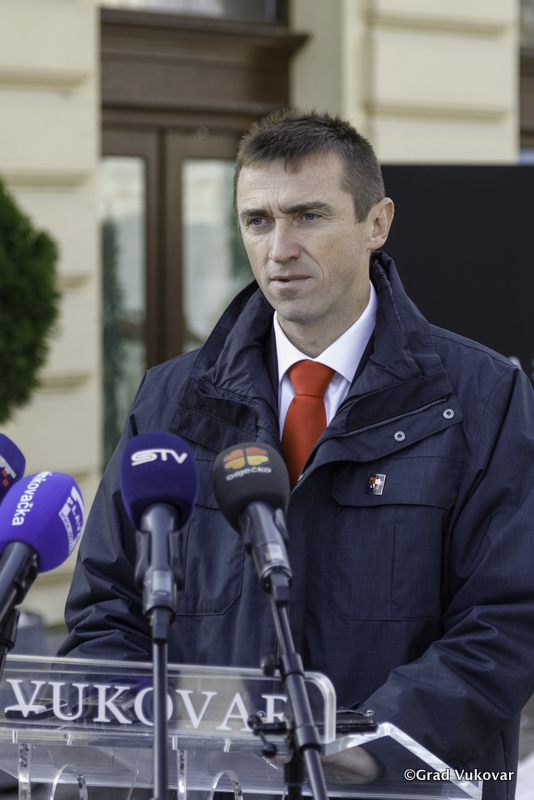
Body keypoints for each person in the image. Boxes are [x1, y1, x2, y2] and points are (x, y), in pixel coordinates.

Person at [60, 111, 534, 798]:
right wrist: (150, 735)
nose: (279, 248)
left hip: (402, 786)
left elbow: (509, 616)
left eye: (308, 216)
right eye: (258, 221)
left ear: (377, 223)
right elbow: (107, 607)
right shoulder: (169, 400)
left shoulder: (484, 396)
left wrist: (371, 742)